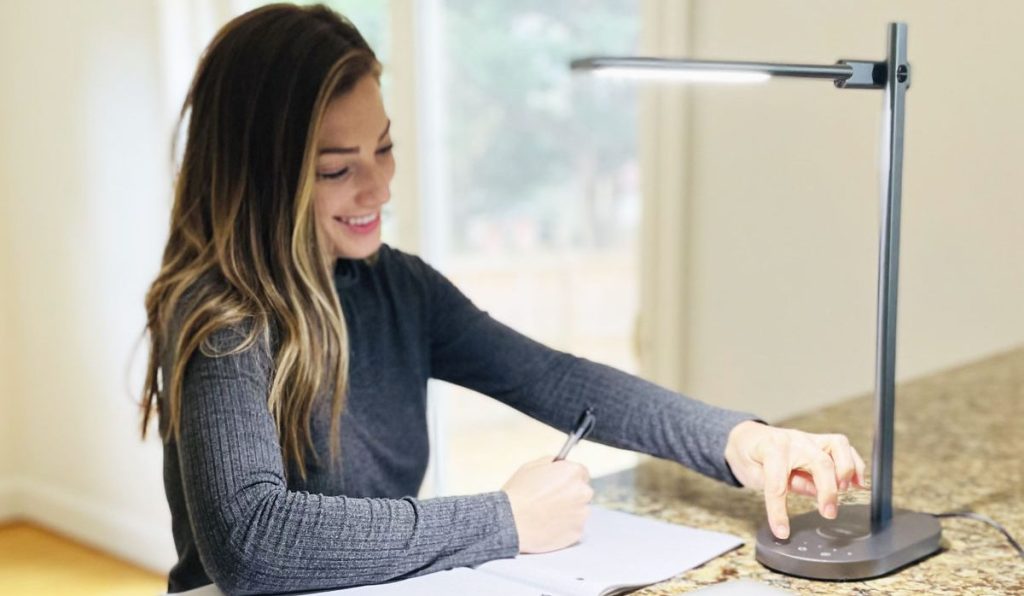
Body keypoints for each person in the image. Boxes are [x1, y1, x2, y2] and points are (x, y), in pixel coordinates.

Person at [140, 4, 866, 595]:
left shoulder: (400, 288)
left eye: (384, 149)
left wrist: (743, 442)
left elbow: (559, 380)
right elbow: (250, 542)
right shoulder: (220, 315)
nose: (378, 188)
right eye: (337, 169)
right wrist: (507, 520)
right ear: (265, 175)